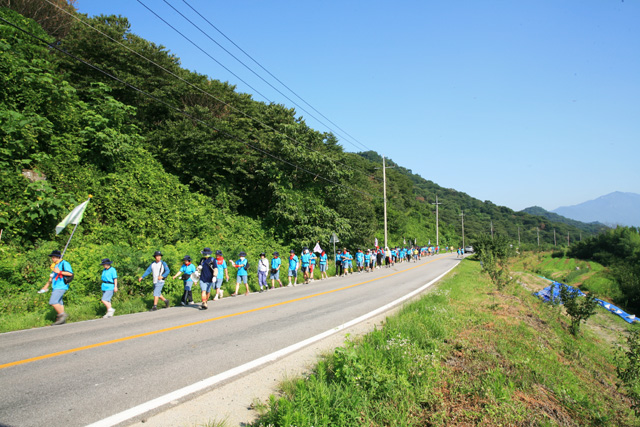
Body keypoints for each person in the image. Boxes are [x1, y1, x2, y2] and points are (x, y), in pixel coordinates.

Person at [38, 250, 73, 325]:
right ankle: (62, 320)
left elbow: (70, 273)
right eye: (52, 257)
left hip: (61, 286)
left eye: (53, 257)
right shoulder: (55, 265)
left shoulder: (64, 263)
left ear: (58, 257)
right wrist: (45, 287)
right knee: (59, 303)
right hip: (55, 286)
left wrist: (59, 272)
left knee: (53, 301)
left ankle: (62, 315)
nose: (52, 259)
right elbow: (51, 278)